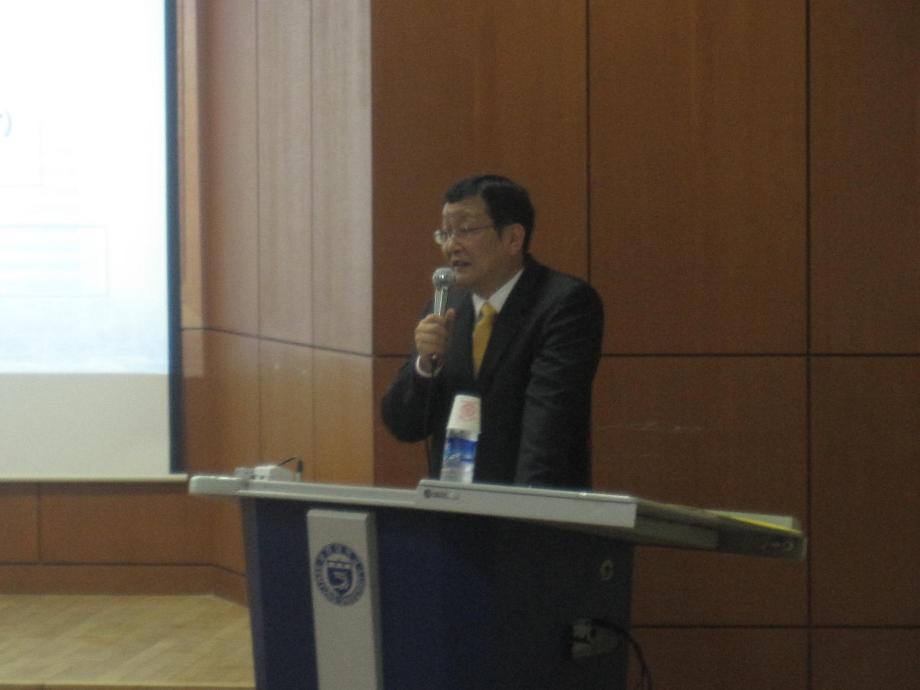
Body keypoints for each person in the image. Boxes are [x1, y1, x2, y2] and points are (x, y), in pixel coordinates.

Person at [381, 174, 603, 489]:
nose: (451, 246)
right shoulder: (444, 307)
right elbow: (404, 425)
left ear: (513, 238)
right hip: (453, 508)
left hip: (529, 507)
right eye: (445, 233)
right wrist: (425, 367)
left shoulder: (563, 304)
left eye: (466, 230)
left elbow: (549, 431)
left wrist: (521, 511)